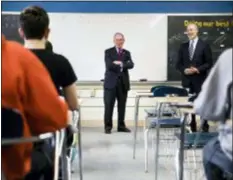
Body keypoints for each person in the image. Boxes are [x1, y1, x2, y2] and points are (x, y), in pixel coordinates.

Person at [1, 35, 68, 180]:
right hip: (13, 164)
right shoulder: (17, 57)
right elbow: (55, 118)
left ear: (21, 31)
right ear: (47, 32)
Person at [19, 5, 79, 111]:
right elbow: (73, 104)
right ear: (47, 32)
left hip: (15, 126)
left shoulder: (7, 60)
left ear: (21, 32)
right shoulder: (61, 62)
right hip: (48, 124)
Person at [194, 48, 232, 180]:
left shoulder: (229, 58)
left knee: (210, 150)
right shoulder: (183, 47)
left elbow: (207, 109)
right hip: (189, 80)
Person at [176, 23, 213, 132]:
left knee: (202, 103)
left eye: (192, 30)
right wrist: (184, 70)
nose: (190, 32)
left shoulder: (204, 45)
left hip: (200, 80)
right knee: (189, 104)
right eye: (188, 30)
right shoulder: (183, 46)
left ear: (197, 31)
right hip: (187, 80)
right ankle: (192, 124)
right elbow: (178, 64)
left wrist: (198, 69)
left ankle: (205, 125)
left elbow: (209, 63)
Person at [103, 32, 134, 134]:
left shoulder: (127, 52)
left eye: (121, 40)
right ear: (114, 40)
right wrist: (123, 65)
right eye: (117, 40)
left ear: (124, 41)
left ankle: (121, 126)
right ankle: (108, 127)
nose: (119, 42)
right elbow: (109, 66)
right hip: (110, 83)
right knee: (109, 106)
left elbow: (131, 65)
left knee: (122, 106)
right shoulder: (108, 52)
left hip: (123, 84)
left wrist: (120, 63)